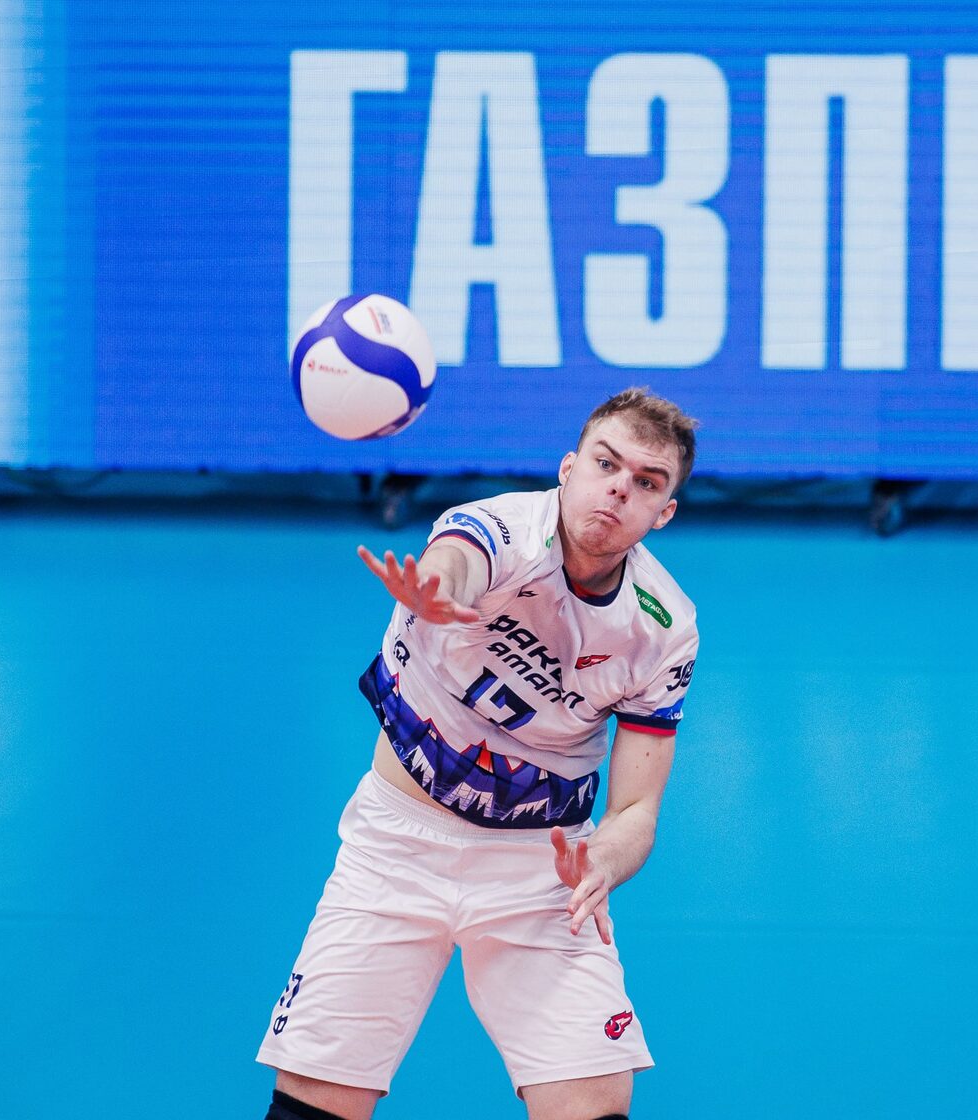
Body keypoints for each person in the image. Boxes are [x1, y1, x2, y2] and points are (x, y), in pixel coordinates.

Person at [257, 388, 701, 1120]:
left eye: (647, 482)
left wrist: (602, 863)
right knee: (316, 1104)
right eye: (606, 463)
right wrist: (436, 591)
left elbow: (636, 810)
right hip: (395, 846)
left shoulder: (664, 627)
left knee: (594, 1103)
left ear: (664, 512)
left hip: (543, 872)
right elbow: (456, 560)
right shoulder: (502, 528)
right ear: (568, 468)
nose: (620, 487)